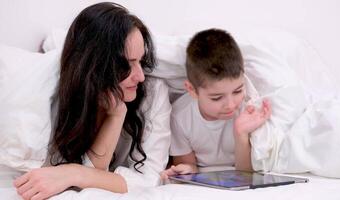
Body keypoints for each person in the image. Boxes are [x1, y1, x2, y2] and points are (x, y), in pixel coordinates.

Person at [13, 2, 171, 199]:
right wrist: (114, 115)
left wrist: (73, 173)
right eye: (127, 65)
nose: (140, 76)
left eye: (141, 61)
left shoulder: (153, 93)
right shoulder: (56, 98)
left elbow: (149, 179)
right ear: (95, 66)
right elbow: (68, 178)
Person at [161, 28, 271, 179]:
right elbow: (189, 165)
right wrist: (185, 169)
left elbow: (246, 174)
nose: (231, 105)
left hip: (240, 171)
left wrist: (241, 134)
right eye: (217, 98)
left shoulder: (248, 108)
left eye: (237, 91)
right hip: (205, 176)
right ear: (192, 90)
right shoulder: (180, 116)